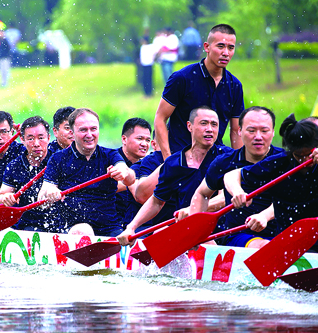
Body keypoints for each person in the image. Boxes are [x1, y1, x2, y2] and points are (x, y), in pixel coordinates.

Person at [117, 107, 233, 245]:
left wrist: (193, 210)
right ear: (189, 126)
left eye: (214, 124)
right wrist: (132, 227)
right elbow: (156, 201)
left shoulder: (226, 157)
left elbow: (225, 198)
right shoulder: (174, 163)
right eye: (204, 123)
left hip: (219, 232)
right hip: (186, 230)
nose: (209, 129)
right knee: (160, 233)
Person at [187, 107, 284, 248]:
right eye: (251, 131)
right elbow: (202, 194)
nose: (258, 136)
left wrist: (265, 216)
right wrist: (194, 230)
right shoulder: (224, 162)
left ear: (273, 132)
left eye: (264, 131)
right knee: (264, 246)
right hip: (238, 237)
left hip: (282, 234)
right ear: (239, 131)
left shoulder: (286, 161)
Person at [224, 114, 318, 252]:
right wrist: (238, 191)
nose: (304, 161)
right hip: (289, 242)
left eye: (309, 155)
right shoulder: (279, 163)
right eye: (299, 156)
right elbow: (232, 175)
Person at [38, 108, 136, 237]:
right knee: (84, 230)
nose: (89, 134)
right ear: (72, 133)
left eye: (93, 129)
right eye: (83, 130)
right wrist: (50, 192)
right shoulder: (58, 159)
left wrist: (124, 172)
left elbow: (130, 179)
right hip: (71, 229)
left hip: (109, 227)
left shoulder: (110, 155)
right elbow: (43, 195)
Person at [154, 24, 244, 159]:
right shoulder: (182, 78)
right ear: (206, 47)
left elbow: (236, 131)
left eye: (230, 48)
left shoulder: (234, 85)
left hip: (215, 161)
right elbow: (160, 118)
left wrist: (240, 167)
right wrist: (168, 161)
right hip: (181, 159)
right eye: (220, 46)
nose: (226, 52)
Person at [0, 116, 63, 232]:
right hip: (28, 226)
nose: (36, 144)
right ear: (22, 140)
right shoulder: (14, 166)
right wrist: (6, 198)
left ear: (48, 138)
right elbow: (1, 198)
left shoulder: (59, 160)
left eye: (41, 138)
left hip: (60, 224)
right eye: (31, 139)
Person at [115, 118, 151, 222]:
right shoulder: (109, 158)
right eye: (139, 138)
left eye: (147, 140)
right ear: (124, 139)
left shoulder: (147, 164)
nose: (144, 144)